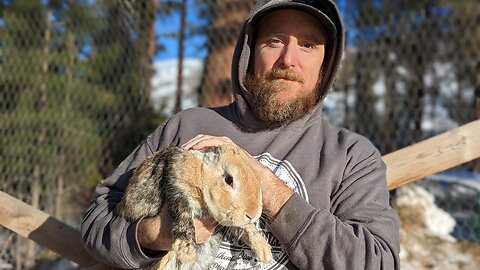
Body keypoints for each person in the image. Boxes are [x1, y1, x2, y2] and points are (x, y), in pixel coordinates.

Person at [81, 0, 401, 269]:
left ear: (326, 63)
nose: (288, 60)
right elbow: (97, 221)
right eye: (274, 41)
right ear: (250, 52)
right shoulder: (187, 127)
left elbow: (378, 261)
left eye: (307, 45)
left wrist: (268, 189)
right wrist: (155, 234)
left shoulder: (351, 156)